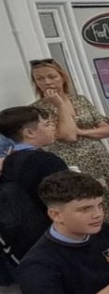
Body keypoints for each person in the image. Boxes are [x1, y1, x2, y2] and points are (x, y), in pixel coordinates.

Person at [29, 60, 109, 241]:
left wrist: (82, 132)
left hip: (99, 160)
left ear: (62, 77)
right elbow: (68, 135)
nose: (46, 82)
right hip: (73, 163)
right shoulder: (37, 109)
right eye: (40, 79)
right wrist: (60, 105)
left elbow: (107, 129)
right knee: (86, 207)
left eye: (51, 76)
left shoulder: (80, 100)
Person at [0, 106, 68, 258]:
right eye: (46, 124)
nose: (52, 127)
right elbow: (68, 198)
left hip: (27, 237)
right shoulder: (46, 161)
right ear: (29, 133)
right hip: (55, 231)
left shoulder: (8, 161)